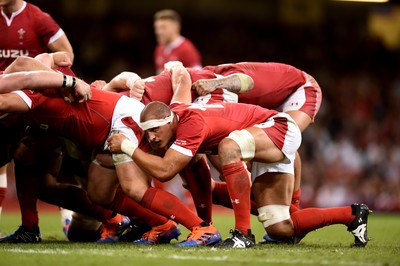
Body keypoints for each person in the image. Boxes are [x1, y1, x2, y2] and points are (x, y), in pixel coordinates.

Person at [107, 63, 371, 248]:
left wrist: (128, 148)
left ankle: (243, 234)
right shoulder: (177, 111)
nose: (151, 138)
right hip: (265, 137)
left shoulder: (192, 123)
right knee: (280, 226)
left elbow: (165, 170)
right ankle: (352, 215)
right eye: (147, 133)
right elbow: (182, 81)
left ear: (168, 120)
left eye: (154, 130)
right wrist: (175, 67)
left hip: (278, 127)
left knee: (228, 148)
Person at [0, 65, 221, 247]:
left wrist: (70, 82)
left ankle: (202, 228)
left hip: (121, 122)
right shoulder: (33, 95)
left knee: (134, 187)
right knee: (99, 193)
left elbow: (29, 67)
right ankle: (162, 225)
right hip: (107, 134)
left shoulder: (29, 96)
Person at [0, 0, 74, 232]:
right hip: (4, 100)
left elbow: (67, 55)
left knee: (37, 163)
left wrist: (49, 75)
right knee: (4, 160)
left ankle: (67, 215)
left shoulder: (38, 18)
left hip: (32, 102)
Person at [153, 9, 201, 74]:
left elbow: (198, 75)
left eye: (163, 28)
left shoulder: (187, 49)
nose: (159, 32)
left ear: (176, 27)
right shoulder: (159, 49)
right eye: (157, 28)